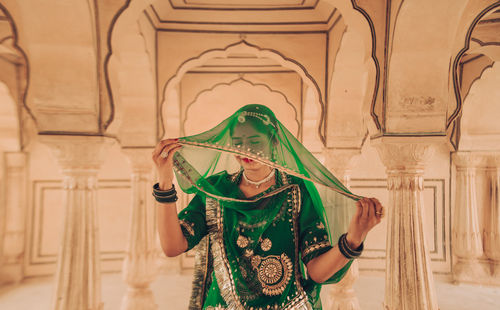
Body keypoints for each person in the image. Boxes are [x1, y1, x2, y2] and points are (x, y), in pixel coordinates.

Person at [152, 104, 383, 310]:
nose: (245, 151)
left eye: (254, 143)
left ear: (273, 143)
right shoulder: (216, 191)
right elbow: (173, 246)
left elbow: (316, 271)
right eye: (238, 144)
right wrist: (164, 181)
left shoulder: (295, 191)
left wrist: (353, 240)